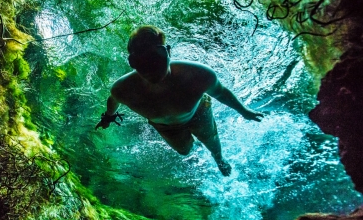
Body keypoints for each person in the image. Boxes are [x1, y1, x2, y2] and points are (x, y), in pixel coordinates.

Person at [95, 25, 264, 176]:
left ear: (168, 52)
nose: (150, 68)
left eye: (155, 58)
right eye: (141, 61)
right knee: (184, 151)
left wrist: (244, 111)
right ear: (133, 62)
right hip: (165, 127)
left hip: (198, 112)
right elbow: (113, 101)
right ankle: (195, 144)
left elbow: (221, 93)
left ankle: (219, 159)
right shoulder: (122, 89)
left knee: (212, 142)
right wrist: (108, 117)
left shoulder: (198, 75)